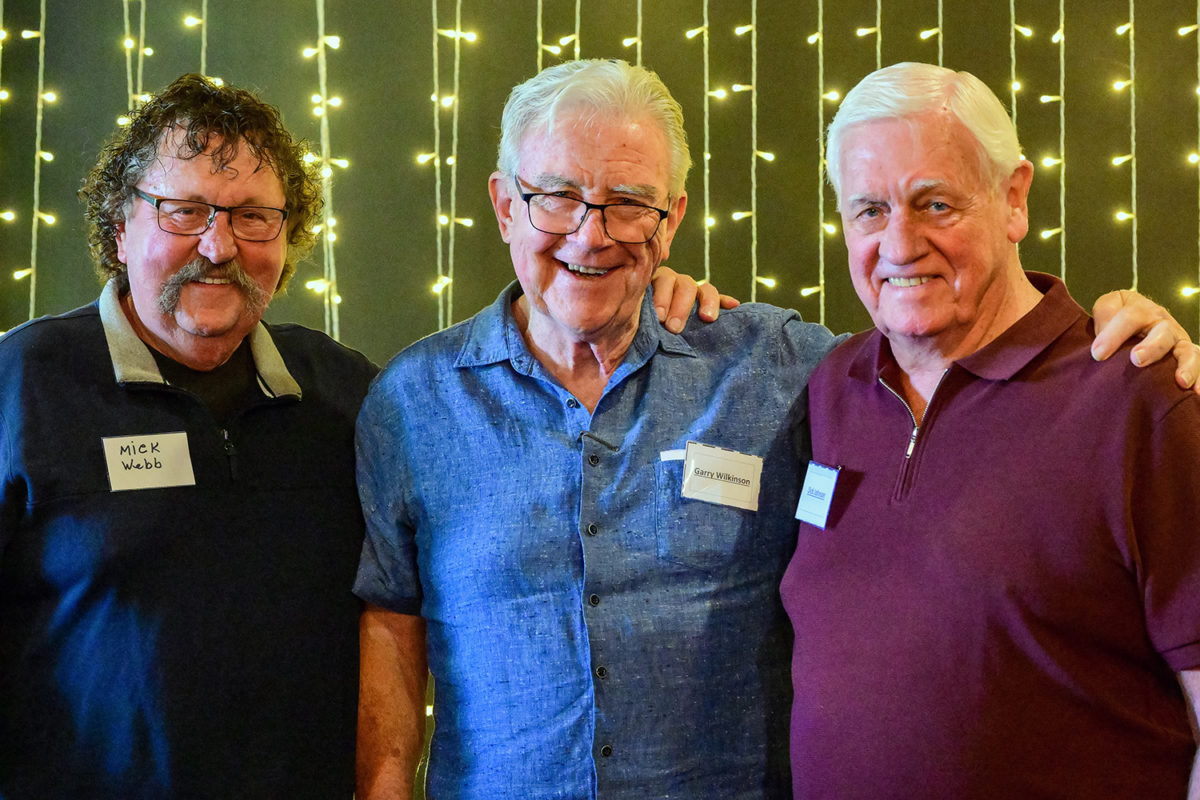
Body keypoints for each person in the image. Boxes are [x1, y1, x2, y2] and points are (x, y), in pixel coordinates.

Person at [353, 59, 1199, 800]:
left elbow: (953, 332)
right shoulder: (412, 402)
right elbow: (393, 618)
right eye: (558, 197)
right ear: (504, 205)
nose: (591, 232)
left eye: (627, 204)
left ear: (670, 220)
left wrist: (1136, 337)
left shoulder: (784, 369)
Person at [782, 61, 1200, 799]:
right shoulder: (831, 389)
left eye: (935, 204)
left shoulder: (1141, 396)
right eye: (869, 210)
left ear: (1013, 200)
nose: (900, 243)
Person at [0, 74, 378, 798]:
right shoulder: (21, 385)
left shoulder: (348, 394)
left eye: (253, 217)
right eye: (184, 211)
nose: (218, 244)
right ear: (120, 225)